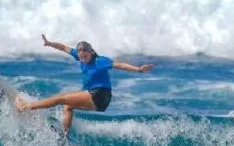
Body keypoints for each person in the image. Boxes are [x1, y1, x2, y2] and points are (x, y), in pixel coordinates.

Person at [16, 34, 154, 137]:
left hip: (100, 94)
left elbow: (118, 64)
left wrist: (139, 69)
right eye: (81, 58)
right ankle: (64, 136)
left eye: (85, 57)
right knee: (68, 106)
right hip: (101, 101)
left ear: (91, 52)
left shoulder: (100, 61)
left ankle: (27, 107)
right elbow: (64, 47)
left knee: (61, 98)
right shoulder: (79, 55)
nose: (83, 60)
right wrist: (50, 44)